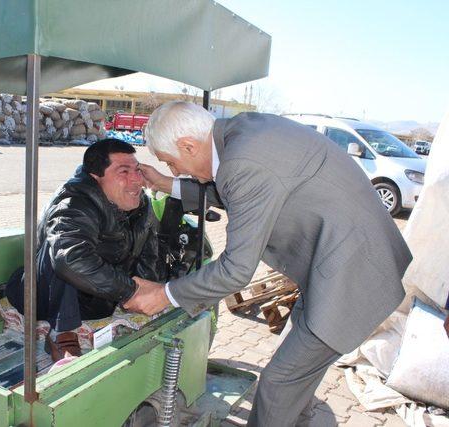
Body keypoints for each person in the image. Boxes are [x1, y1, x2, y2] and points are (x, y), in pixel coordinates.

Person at [124, 102, 412, 427]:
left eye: (172, 163)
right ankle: (299, 419)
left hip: (352, 277)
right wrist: (166, 184)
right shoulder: (241, 134)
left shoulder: (243, 162)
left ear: (189, 146)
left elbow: (235, 270)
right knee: (294, 377)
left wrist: (164, 294)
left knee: (277, 385)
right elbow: (238, 191)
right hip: (339, 263)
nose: (176, 171)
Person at [6, 138, 161, 362]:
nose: (137, 180)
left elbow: (149, 251)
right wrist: (130, 291)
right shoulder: (72, 203)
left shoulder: (140, 204)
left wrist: (148, 293)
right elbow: (69, 258)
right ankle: (62, 334)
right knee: (66, 252)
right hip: (43, 295)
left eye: (137, 170)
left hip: (97, 297)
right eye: (124, 171)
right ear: (95, 177)